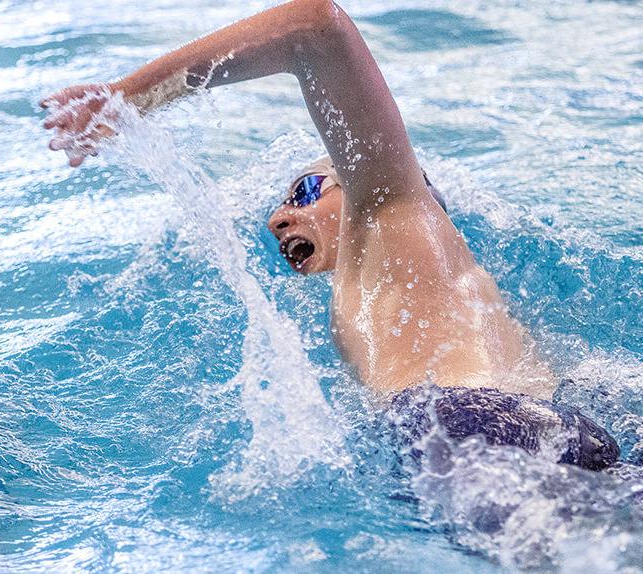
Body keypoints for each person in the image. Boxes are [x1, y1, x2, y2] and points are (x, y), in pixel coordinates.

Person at [41, 0, 619, 470]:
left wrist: (128, 96)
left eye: (306, 192)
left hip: (466, 427)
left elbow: (316, 29)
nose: (278, 218)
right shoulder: (437, 302)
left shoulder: (392, 207)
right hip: (546, 429)